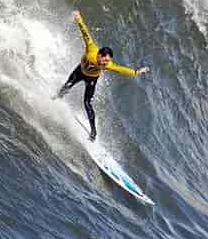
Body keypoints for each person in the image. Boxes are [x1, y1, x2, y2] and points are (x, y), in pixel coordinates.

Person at [55, 10, 149, 141]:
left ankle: (93, 132)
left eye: (108, 61)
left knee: (87, 103)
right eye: (105, 60)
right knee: (67, 85)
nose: (106, 63)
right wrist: (78, 18)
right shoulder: (91, 49)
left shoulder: (107, 65)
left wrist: (136, 72)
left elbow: (120, 69)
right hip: (79, 71)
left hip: (91, 79)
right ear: (99, 55)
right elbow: (85, 33)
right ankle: (57, 98)